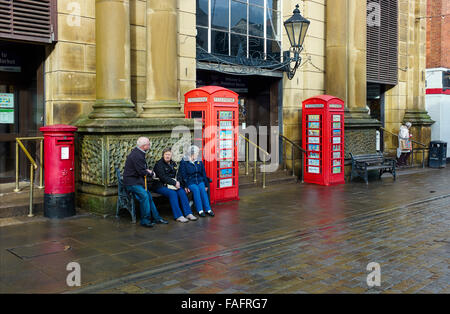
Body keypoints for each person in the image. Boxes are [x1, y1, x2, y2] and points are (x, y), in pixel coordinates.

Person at [123, 137, 168, 227]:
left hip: (136, 181)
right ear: (144, 146)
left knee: (148, 196)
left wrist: (146, 170)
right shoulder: (137, 155)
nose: (150, 145)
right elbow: (141, 171)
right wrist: (151, 173)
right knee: (144, 196)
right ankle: (145, 220)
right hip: (131, 183)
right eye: (148, 144)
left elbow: (140, 168)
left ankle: (157, 218)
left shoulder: (138, 152)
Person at [153, 148, 198, 223]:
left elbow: (179, 175)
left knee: (181, 191)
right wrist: (174, 183)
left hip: (172, 185)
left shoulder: (173, 163)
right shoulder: (159, 164)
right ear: (163, 155)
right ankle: (178, 216)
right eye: (166, 154)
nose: (168, 156)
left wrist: (180, 183)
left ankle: (188, 213)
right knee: (172, 193)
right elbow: (163, 177)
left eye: (169, 154)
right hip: (161, 185)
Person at [178, 145, 214, 217]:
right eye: (196, 153)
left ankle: (208, 209)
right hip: (190, 181)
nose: (198, 154)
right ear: (191, 154)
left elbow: (203, 173)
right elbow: (183, 175)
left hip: (199, 180)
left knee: (202, 189)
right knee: (196, 190)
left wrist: (206, 184)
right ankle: (200, 210)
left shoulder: (199, 160)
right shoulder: (184, 161)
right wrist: (186, 185)